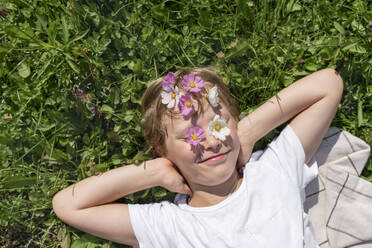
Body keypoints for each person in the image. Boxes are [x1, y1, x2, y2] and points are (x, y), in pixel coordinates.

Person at [52, 67, 343, 247]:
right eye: (189, 135)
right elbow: (68, 205)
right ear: (161, 149)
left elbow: (329, 84)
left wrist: (247, 132)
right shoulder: (170, 225)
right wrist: (153, 173)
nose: (212, 141)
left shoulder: (274, 168)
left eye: (220, 123)